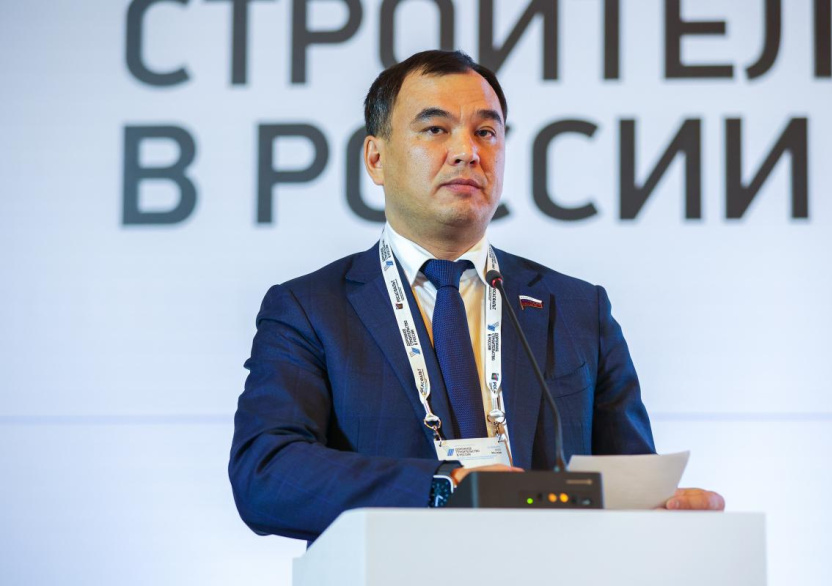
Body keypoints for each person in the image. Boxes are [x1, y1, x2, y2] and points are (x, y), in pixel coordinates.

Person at [229, 50, 724, 543]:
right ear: (376, 159)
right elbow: (266, 473)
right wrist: (444, 487)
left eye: (486, 132)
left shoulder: (578, 309)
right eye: (435, 129)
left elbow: (628, 483)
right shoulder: (310, 309)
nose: (467, 151)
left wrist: (663, 512)